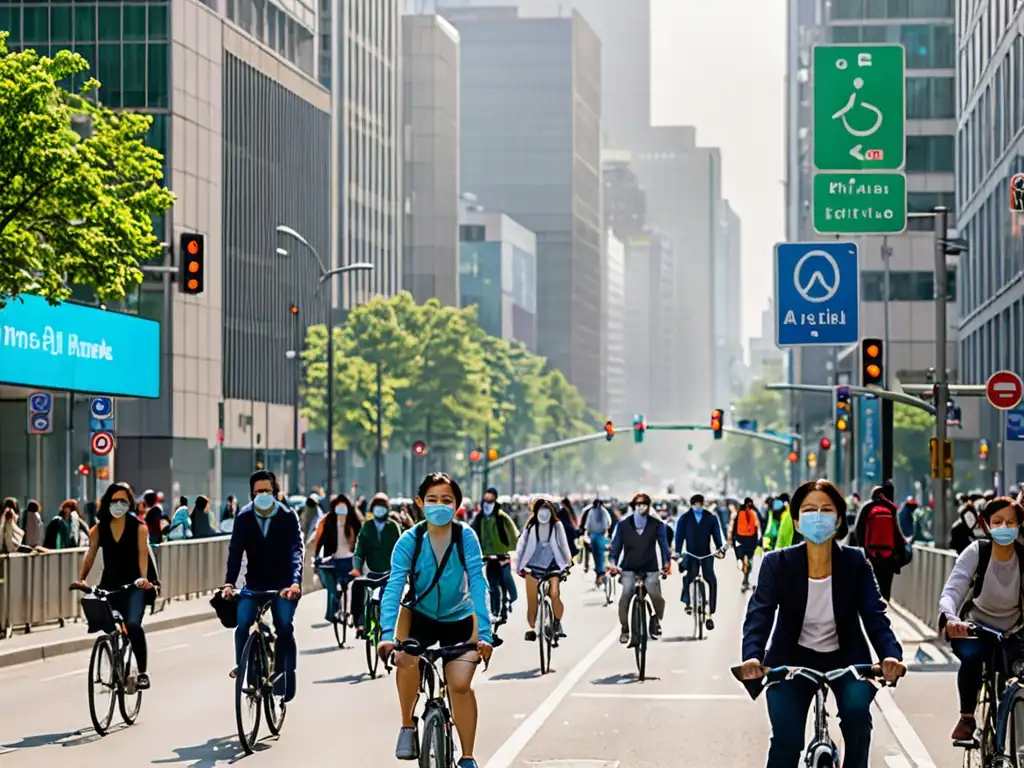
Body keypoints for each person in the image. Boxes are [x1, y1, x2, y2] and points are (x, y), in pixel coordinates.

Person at [738, 479, 906, 768]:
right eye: (809, 510)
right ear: (797, 521)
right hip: (789, 661)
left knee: (857, 721)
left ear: (839, 519)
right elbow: (759, 614)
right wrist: (752, 656)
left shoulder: (856, 562)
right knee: (785, 741)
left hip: (848, 660)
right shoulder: (776, 563)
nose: (818, 516)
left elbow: (875, 615)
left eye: (826, 510)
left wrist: (890, 656)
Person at [377, 472, 493, 768]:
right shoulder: (410, 540)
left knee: (460, 685)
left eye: (446, 500)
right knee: (405, 660)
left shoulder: (465, 536)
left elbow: (478, 584)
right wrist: (388, 634)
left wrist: (486, 634)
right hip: (419, 616)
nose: (438, 505)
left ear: (457, 505)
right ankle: (407, 724)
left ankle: (467, 757)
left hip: (460, 617)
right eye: (432, 500)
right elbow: (393, 587)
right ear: (420, 503)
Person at [938, 496, 1024, 742]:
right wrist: (951, 618)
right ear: (986, 525)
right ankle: (967, 718)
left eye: (1011, 522)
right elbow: (952, 591)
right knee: (973, 657)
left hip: (1014, 631)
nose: (1004, 528)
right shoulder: (977, 551)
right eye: (997, 522)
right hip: (975, 628)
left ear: (1019, 525)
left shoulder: (1023, 557)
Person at [220, 470, 303, 702]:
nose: (263, 495)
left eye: (267, 490)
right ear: (251, 494)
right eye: (258, 491)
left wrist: (295, 583)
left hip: (284, 584)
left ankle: (283, 671)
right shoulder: (243, 518)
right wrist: (229, 583)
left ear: (275, 493)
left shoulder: (288, 516)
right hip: (254, 583)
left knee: (284, 626)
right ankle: (242, 666)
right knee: (243, 622)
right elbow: (235, 553)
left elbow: (296, 551)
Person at [70, 482, 156, 690]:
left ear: (130, 504)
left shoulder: (139, 528)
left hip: (134, 586)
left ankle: (142, 672)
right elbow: (90, 555)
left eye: (123, 501)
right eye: (114, 501)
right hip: (109, 585)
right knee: (107, 624)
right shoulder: (99, 529)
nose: (118, 505)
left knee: (134, 625)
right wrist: (82, 578)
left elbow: (143, 555)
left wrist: (143, 579)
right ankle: (115, 659)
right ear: (107, 502)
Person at [608, 493, 671, 645]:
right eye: (637, 504)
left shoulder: (657, 524)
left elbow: (663, 546)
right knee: (626, 593)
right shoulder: (623, 525)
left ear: (649, 506)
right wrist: (612, 563)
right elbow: (615, 547)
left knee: (654, 592)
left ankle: (656, 619)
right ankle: (625, 629)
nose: (640, 506)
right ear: (633, 506)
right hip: (629, 567)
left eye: (644, 504)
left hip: (650, 566)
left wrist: (666, 563)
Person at [515, 497, 573, 640]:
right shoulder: (530, 528)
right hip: (532, 566)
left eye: (547, 510)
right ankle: (532, 628)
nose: (544, 513)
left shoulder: (557, 526)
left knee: (554, 594)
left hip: (553, 566)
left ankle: (557, 622)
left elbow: (564, 546)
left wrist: (568, 563)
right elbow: (521, 548)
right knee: (532, 600)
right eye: (541, 510)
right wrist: (518, 567)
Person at [349, 491, 402, 637]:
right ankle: (359, 623)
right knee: (357, 588)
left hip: (389, 573)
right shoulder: (367, 527)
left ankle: (388, 628)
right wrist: (356, 569)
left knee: (389, 600)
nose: (379, 509)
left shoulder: (393, 526)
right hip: (371, 572)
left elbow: (400, 550)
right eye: (377, 506)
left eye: (382, 506)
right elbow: (359, 551)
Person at [676, 493, 726, 629]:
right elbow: (679, 536)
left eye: (699, 503)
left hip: (706, 554)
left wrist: (719, 548)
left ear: (703, 504)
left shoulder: (711, 518)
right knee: (689, 577)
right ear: (692, 505)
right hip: (691, 554)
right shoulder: (685, 518)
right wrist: (677, 551)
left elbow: (716, 535)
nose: (697, 506)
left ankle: (710, 612)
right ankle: (688, 603)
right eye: (695, 504)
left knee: (711, 580)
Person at [471, 487, 520, 618]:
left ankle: (506, 604)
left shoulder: (502, 517)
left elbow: (514, 534)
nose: (488, 503)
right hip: (489, 558)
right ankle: (494, 611)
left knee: (505, 582)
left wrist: (511, 550)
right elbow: (471, 534)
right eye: (486, 500)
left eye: (491, 500)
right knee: (492, 585)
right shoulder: (479, 519)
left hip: (502, 557)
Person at [311, 493, 360, 623]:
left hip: (350, 559)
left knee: (351, 585)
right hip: (333, 559)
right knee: (333, 586)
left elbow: (361, 539)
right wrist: (317, 556)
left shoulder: (353, 521)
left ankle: (350, 613)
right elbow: (321, 539)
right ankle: (334, 611)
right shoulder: (329, 521)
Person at [853, 485, 907, 601]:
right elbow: (897, 532)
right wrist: (899, 553)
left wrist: (861, 550)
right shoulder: (891, 508)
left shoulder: (866, 507)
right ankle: (885, 607)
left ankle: (872, 608)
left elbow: (858, 529)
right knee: (885, 587)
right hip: (889, 554)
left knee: (870, 584)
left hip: (870, 552)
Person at [729, 497, 762, 592]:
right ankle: (745, 578)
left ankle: (746, 579)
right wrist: (731, 539)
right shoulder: (741, 513)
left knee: (748, 561)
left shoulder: (753, 513)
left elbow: (758, 527)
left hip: (749, 541)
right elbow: (734, 527)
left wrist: (758, 540)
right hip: (742, 540)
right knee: (744, 560)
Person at [582, 498, 613, 586]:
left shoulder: (591, 512)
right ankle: (602, 573)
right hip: (602, 536)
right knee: (602, 556)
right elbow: (608, 523)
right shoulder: (604, 512)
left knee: (596, 557)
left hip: (593, 537)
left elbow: (587, 525)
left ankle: (598, 575)